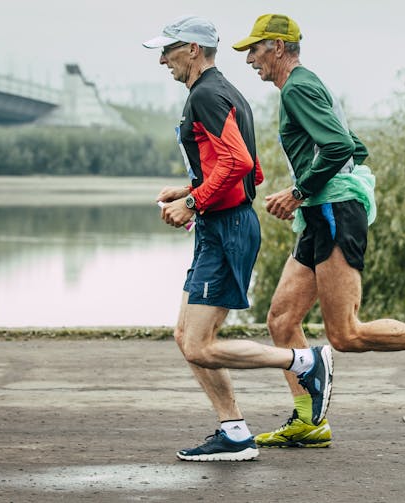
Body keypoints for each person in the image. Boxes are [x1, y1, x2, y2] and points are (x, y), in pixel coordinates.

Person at [232, 14, 405, 449]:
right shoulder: (306, 85)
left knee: (345, 333)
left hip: (331, 210)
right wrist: (316, 191)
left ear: (277, 47)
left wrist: (298, 191)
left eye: (255, 49)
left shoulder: (298, 87)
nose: (250, 58)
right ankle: (309, 421)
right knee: (282, 320)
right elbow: (355, 146)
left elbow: (340, 147)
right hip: (322, 210)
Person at [143, 15, 333, 462]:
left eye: (168, 50)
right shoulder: (224, 91)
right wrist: (191, 190)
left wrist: (192, 204)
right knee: (186, 336)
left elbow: (241, 163)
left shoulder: (207, 94)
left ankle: (304, 362)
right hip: (223, 224)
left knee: (199, 343)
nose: (163, 60)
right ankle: (233, 430)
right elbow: (253, 169)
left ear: (192, 49)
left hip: (225, 228)